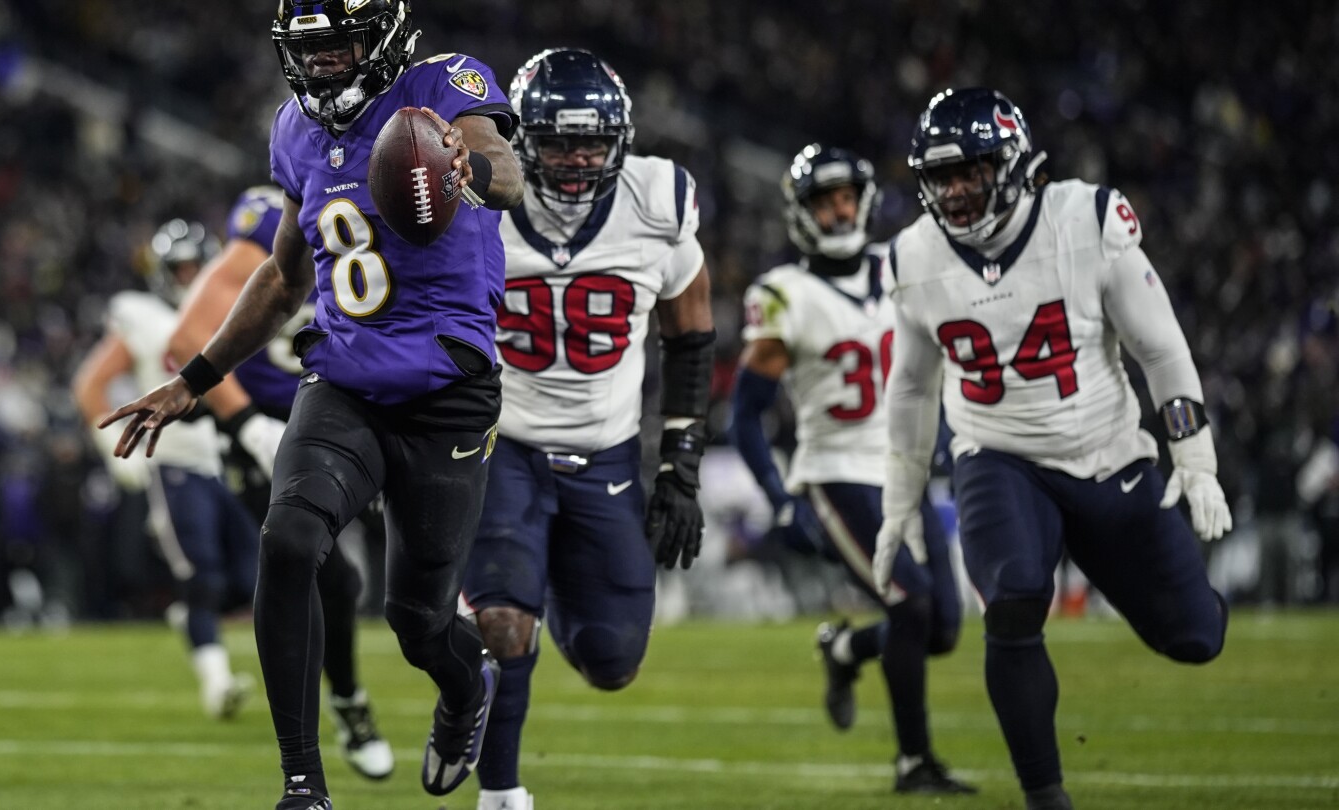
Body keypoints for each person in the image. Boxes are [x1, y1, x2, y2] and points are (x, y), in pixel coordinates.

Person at [99, 1, 524, 807]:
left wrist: (473, 165)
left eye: (343, 46)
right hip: (345, 379)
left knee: (418, 623)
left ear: (387, 37)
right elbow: (286, 276)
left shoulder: (444, 84)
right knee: (290, 537)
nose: (326, 64)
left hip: (446, 393)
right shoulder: (294, 129)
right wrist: (194, 378)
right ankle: (303, 784)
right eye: (312, 50)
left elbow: (506, 165)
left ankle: (466, 689)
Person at [875, 87, 1232, 810]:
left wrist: (1194, 458)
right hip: (996, 453)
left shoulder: (1085, 219)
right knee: (1011, 600)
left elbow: (1161, 351)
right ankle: (1046, 798)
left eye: (970, 170)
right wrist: (899, 503)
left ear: (1011, 163)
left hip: (1108, 451)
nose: (955, 191)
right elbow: (911, 390)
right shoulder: (913, 255)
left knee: (1196, 635)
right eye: (941, 176)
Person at [460, 48, 714, 810]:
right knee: (505, 623)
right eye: (559, 142)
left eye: (591, 143)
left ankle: (537, 601)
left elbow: (691, 331)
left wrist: (681, 462)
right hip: (503, 445)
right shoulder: (476, 201)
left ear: (620, 141)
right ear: (520, 140)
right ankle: (500, 794)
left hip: (604, 453)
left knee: (612, 661)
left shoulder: (658, 200)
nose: (575, 160)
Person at [729, 144, 974, 794]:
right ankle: (913, 763)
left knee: (943, 627)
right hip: (837, 472)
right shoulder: (786, 293)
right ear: (802, 212)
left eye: (845, 198)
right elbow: (745, 414)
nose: (838, 212)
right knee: (914, 606)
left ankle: (844, 652)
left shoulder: (900, 269)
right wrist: (781, 498)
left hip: (905, 468)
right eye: (823, 201)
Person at [166, 184, 394, 781]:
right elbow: (186, 340)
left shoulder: (395, 193)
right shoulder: (276, 214)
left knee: (410, 554)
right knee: (330, 578)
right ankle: (343, 709)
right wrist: (247, 425)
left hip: (347, 415)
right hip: (269, 435)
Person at [72, 219, 260, 721]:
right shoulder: (143, 314)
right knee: (201, 574)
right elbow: (91, 386)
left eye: (199, 267)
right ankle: (217, 683)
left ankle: (193, 620)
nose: (190, 276)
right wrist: (114, 448)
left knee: (253, 577)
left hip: (223, 459)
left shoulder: (229, 308)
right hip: (170, 459)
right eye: (181, 268)